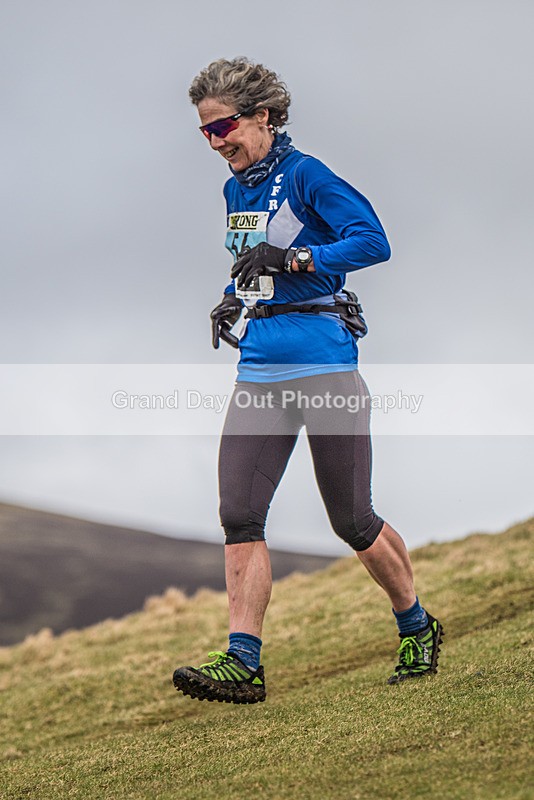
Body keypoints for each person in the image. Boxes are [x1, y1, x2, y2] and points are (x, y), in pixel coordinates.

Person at [173, 57, 443, 704]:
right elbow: (255, 261)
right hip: (259, 366)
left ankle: (416, 624)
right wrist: (234, 296)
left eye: (224, 127)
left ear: (263, 116)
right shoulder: (236, 191)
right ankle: (244, 660)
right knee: (239, 513)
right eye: (205, 131)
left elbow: (372, 241)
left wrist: (295, 257)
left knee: (352, 520)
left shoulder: (306, 175)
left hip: (324, 363)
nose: (216, 142)